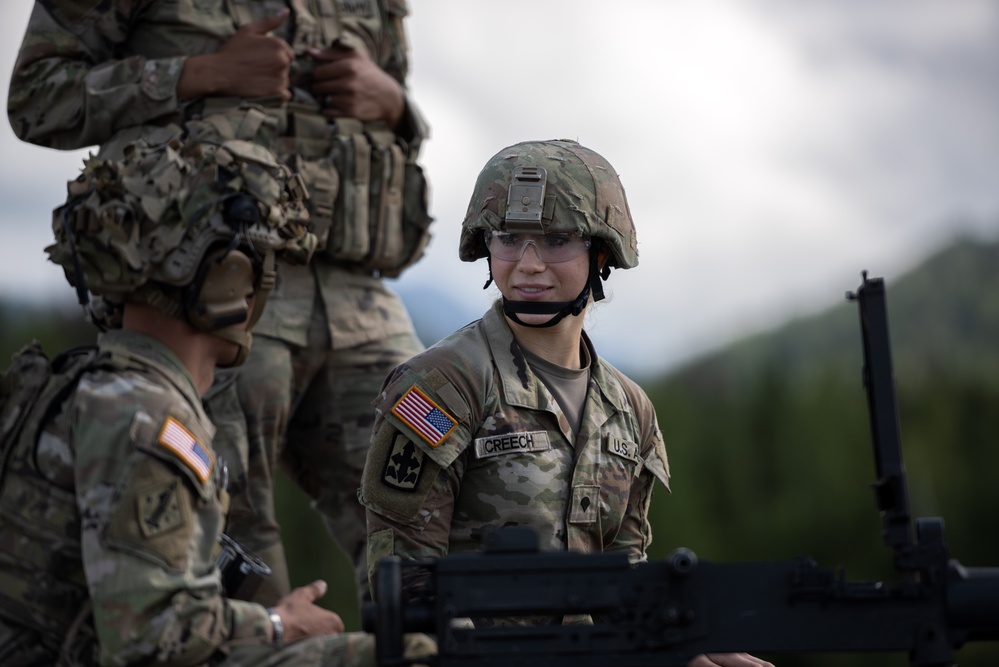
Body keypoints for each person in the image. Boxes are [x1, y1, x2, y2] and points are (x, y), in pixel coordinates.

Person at [8, 0, 432, 607]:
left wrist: (394, 103)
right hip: (205, 291)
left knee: (434, 505)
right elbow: (37, 98)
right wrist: (199, 73)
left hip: (356, 292)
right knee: (228, 543)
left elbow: (398, 116)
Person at [0, 137, 434, 666]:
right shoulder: (149, 416)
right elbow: (149, 637)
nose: (267, 289)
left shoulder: (91, 383)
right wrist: (278, 623)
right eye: (264, 267)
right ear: (229, 280)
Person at [359, 139, 773, 667]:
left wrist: (684, 649)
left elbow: (623, 578)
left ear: (601, 254)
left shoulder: (629, 409)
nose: (529, 265)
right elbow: (406, 589)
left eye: (556, 239)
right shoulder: (442, 385)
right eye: (509, 238)